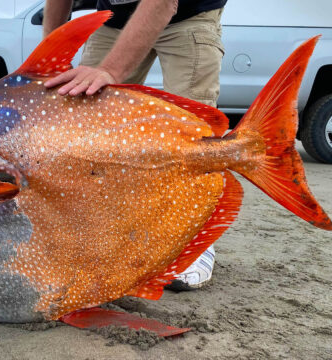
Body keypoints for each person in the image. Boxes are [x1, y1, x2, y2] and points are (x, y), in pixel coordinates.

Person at [42, 0, 227, 290]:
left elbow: (163, 3)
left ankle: (194, 241)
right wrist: (52, 57)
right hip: (117, 19)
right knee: (84, 123)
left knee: (193, 130)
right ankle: (102, 237)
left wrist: (111, 72)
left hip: (190, 12)